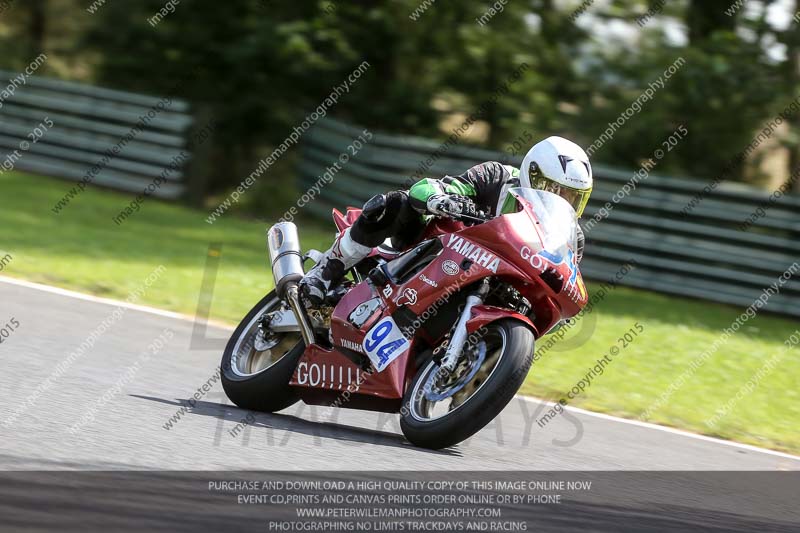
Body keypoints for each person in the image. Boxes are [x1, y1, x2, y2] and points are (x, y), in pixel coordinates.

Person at [299, 136, 593, 306]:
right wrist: (444, 199)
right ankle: (325, 271)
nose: (561, 199)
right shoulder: (497, 178)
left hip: (493, 286)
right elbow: (427, 188)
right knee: (395, 203)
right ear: (532, 173)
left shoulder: (570, 237)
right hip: (436, 252)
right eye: (554, 189)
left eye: (572, 196)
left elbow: (562, 280)